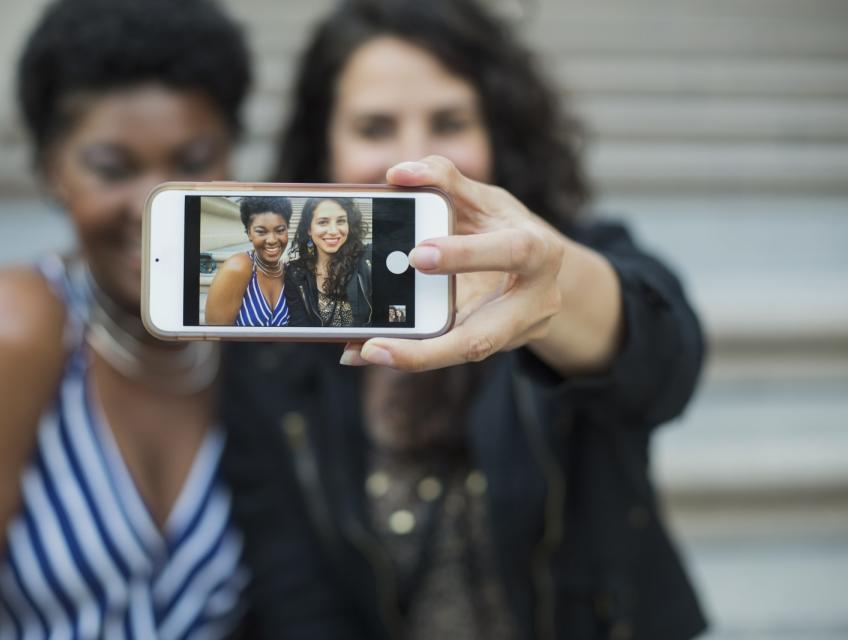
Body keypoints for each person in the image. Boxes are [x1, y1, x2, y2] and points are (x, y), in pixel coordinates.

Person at [220, 0, 707, 639]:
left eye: (450, 122)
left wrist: (555, 285)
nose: (419, 162)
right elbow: (293, 591)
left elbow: (665, 360)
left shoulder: (581, 251)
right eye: (374, 128)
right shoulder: (278, 342)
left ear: (496, 134)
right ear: (325, 148)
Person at [0, 0, 252, 637]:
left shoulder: (247, 332)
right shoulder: (8, 329)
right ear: (53, 173)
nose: (154, 205)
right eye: (112, 168)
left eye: (192, 163)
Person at [204, 196, 293, 327]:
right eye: (261, 232)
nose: (272, 240)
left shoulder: (289, 272)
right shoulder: (238, 267)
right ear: (249, 234)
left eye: (280, 230)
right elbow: (216, 338)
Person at [283, 197, 372, 327]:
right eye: (323, 222)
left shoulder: (368, 259)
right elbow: (299, 325)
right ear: (309, 229)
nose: (333, 231)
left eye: (341, 221)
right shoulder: (296, 272)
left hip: (365, 346)